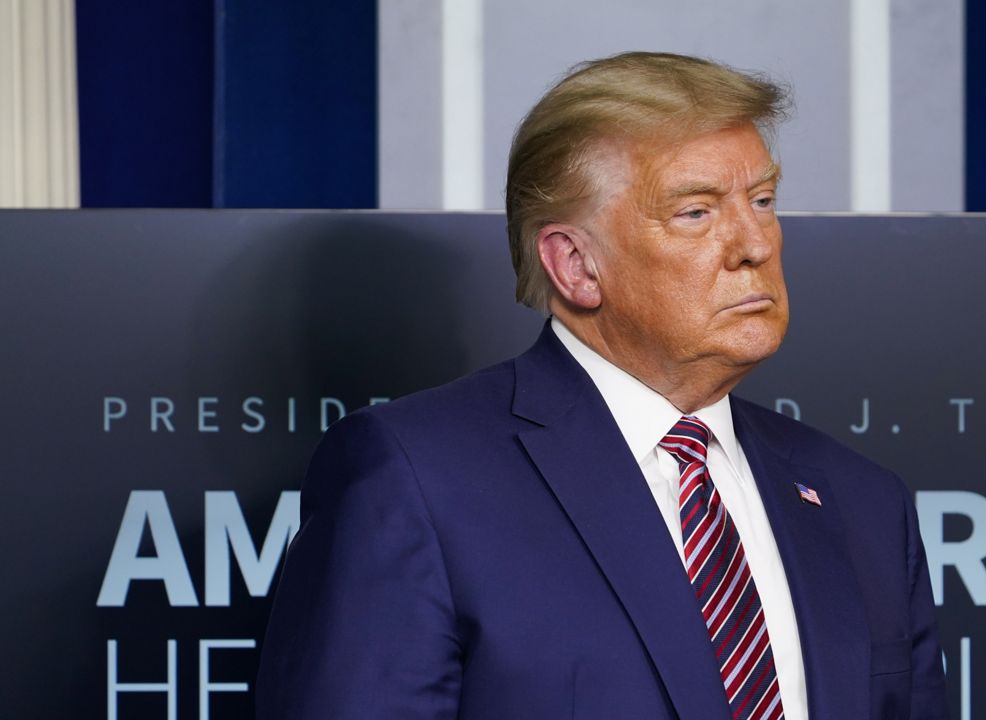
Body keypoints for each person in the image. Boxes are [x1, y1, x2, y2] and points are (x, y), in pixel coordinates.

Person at [257, 51, 948, 720]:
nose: (755, 243)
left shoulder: (862, 501)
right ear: (576, 265)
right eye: (696, 212)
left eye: (762, 199)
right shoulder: (414, 480)